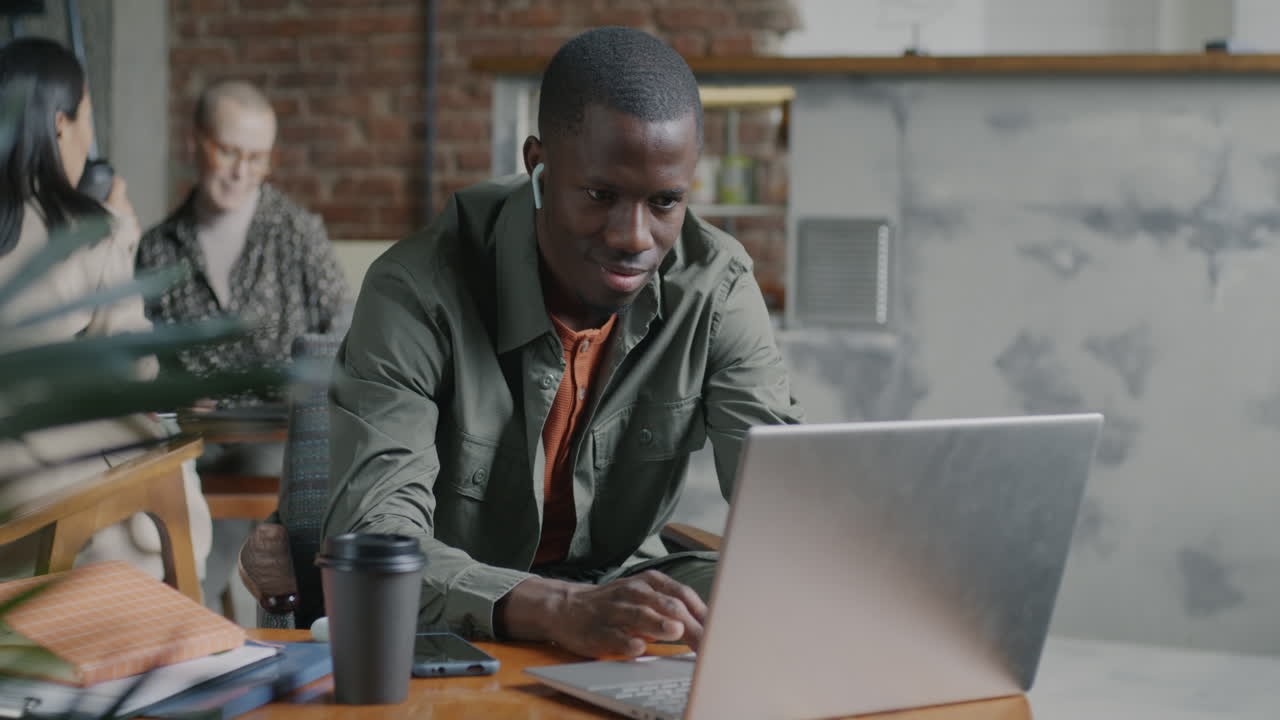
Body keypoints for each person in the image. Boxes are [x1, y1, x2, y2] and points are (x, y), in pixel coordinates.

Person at [324, 27, 803, 659]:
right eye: (601, 196)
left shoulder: (716, 285)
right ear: (538, 167)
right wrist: (561, 608)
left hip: (625, 584)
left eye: (665, 202)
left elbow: (786, 508)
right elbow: (376, 542)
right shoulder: (417, 291)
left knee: (792, 609)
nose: (634, 237)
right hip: (459, 619)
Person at [0, 36, 212, 582]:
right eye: (87, 117)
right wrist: (120, 238)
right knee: (167, 496)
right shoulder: (88, 229)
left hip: (9, 514)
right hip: (64, 518)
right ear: (60, 125)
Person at [136, 79, 349, 409]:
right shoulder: (155, 248)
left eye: (257, 158)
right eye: (228, 152)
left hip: (284, 432)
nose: (241, 172)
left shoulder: (300, 233)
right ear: (194, 143)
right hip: (189, 434)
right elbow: (140, 359)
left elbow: (345, 337)